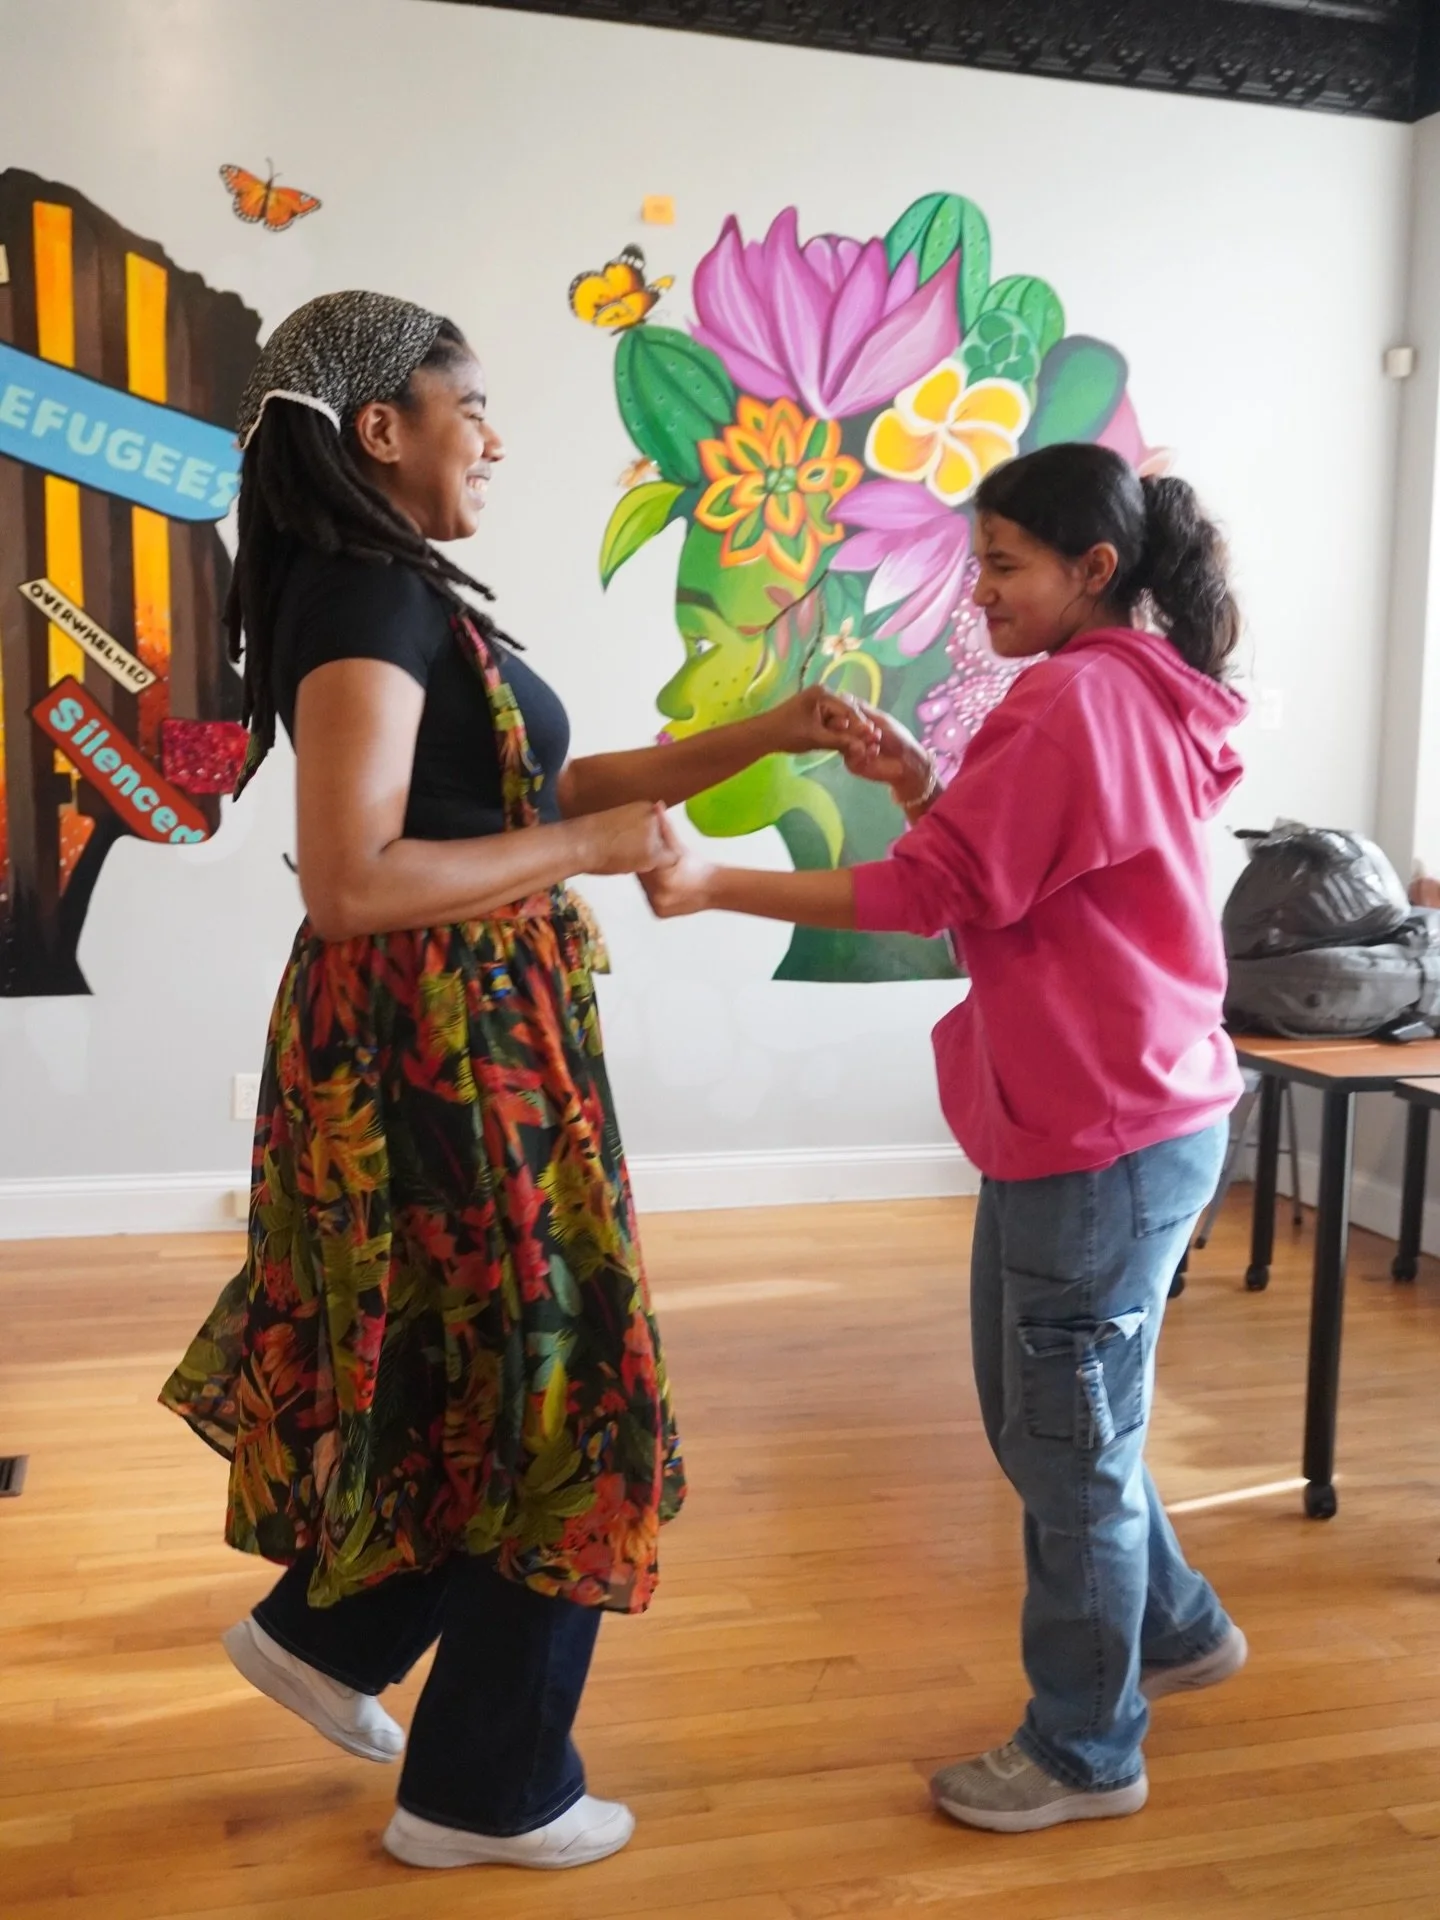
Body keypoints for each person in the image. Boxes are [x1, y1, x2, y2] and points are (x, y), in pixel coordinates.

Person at [159, 291, 876, 1874]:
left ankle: (335, 1647)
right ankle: (484, 1786)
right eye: (467, 404)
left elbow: (542, 783)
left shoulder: (401, 596)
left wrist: (768, 729)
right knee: (564, 1384)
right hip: (441, 1052)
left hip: (475, 1035)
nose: (495, 434)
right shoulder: (365, 601)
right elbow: (347, 879)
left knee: (491, 1377)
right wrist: (590, 854)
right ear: (381, 430)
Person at [643, 442, 1250, 1834]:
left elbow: (936, 893)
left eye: (1004, 566)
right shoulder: (1140, 692)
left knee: (1069, 1448)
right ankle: (1180, 1628)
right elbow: (1012, 879)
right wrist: (925, 778)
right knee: (1057, 1425)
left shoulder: (1075, 703)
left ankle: (1088, 1750)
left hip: (1100, 1131)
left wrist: (709, 880)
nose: (979, 593)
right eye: (976, 562)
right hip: (1121, 1117)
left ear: (1094, 569)